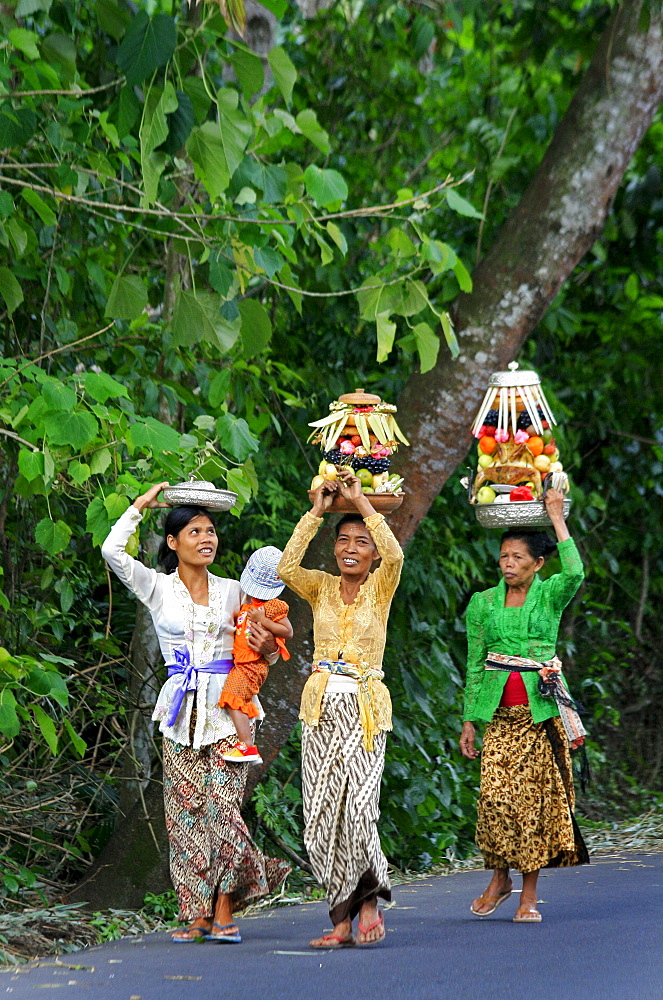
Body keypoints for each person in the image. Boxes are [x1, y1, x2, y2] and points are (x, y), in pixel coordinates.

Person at [100, 483, 289, 944]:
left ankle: (226, 906)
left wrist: (266, 648)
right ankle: (197, 913)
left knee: (224, 813)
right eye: (194, 532)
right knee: (183, 817)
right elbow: (111, 550)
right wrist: (141, 505)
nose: (206, 539)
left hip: (228, 711)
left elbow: (262, 642)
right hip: (180, 713)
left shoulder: (234, 591)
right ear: (172, 542)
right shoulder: (156, 587)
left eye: (210, 531)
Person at [278, 468, 403, 948]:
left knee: (359, 809)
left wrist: (362, 505)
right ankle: (340, 917)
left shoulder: (381, 585)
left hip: (366, 710)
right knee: (321, 817)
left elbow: (395, 552)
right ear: (334, 549)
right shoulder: (321, 587)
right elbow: (288, 568)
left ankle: (368, 898)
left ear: (371, 552)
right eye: (344, 541)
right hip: (321, 711)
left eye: (360, 542)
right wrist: (316, 512)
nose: (352, 548)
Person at [459, 489, 589, 923]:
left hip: (541, 716)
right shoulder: (482, 604)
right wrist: (469, 721)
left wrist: (556, 517)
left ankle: (528, 896)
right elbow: (476, 665)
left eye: (517, 557)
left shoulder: (549, 595)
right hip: (498, 717)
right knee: (495, 801)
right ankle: (499, 878)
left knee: (534, 805)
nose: (508, 563)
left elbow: (576, 571)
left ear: (537, 564)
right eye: (504, 556)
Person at [219, 546, 293, 764]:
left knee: (232, 698)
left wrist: (263, 621)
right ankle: (246, 745)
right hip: (242, 664)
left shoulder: (271, 607)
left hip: (251, 666)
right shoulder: (249, 605)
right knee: (237, 699)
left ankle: (247, 747)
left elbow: (287, 631)